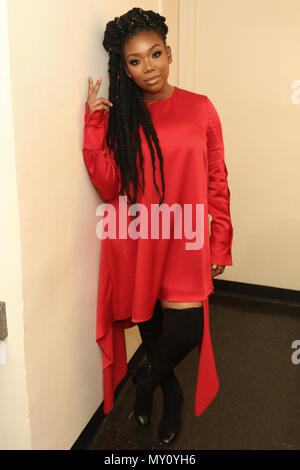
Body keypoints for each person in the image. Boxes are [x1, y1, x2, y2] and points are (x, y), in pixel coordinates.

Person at [83, 7, 233, 445]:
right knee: (152, 332)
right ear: (124, 69)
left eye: (155, 54)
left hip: (187, 241)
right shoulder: (124, 119)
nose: (148, 67)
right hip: (139, 242)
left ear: (169, 54)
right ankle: (170, 392)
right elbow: (109, 184)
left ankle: (146, 385)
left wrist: (219, 242)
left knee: (186, 333)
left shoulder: (200, 108)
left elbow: (218, 179)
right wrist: (95, 124)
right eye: (135, 61)